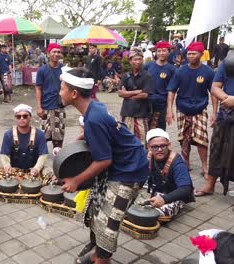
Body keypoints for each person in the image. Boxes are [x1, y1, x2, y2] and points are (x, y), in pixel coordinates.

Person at [58, 67, 148, 264]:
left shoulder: (94, 118)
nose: (59, 92)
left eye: (62, 88)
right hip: (122, 164)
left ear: (74, 94)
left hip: (129, 171)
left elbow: (104, 160)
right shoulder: (94, 107)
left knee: (108, 223)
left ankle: (101, 257)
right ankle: (95, 251)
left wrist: (76, 180)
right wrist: (83, 137)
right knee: (95, 211)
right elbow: (109, 132)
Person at [195, 26, 234, 213]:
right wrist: (228, 100)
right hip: (225, 115)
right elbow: (215, 86)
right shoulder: (230, 60)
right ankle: (210, 185)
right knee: (216, 150)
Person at [166, 41, 217, 178]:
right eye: (188, 54)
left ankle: (205, 167)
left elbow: (214, 92)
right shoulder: (180, 71)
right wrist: (169, 110)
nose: (190, 56)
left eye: (194, 54)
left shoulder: (208, 72)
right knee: (184, 138)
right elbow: (171, 91)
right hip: (182, 108)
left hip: (200, 109)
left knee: (202, 138)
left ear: (201, 54)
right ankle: (185, 163)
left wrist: (215, 113)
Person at [143, 128, 194, 222]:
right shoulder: (147, 156)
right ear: (149, 147)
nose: (159, 150)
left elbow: (186, 189)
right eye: (155, 147)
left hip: (174, 195)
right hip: (157, 191)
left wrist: (164, 199)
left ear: (169, 145)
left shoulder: (177, 162)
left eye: (163, 146)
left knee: (154, 216)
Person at [0, 104, 51, 180]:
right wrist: (7, 166)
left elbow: (43, 155)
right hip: (14, 171)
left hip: (34, 171)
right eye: (18, 116)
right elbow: (4, 154)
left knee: (50, 173)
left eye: (25, 116)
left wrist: (37, 168)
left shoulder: (39, 134)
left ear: (30, 117)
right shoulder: (8, 135)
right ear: (15, 118)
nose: (21, 118)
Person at [118, 48, 153, 144]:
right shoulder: (126, 76)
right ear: (130, 61)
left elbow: (145, 95)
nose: (138, 62)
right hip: (127, 112)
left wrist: (127, 95)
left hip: (141, 113)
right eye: (135, 59)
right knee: (125, 139)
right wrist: (137, 91)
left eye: (140, 59)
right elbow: (120, 93)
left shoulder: (147, 76)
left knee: (142, 141)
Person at [35, 43, 66, 148]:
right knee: (43, 136)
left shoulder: (64, 70)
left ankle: (59, 157)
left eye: (58, 52)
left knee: (59, 136)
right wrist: (39, 107)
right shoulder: (42, 70)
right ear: (48, 54)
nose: (56, 54)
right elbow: (38, 88)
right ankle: (41, 156)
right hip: (46, 106)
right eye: (54, 51)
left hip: (59, 106)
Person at [144, 41, 176, 130]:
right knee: (145, 129)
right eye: (159, 51)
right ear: (156, 52)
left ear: (169, 52)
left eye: (164, 51)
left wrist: (170, 109)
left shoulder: (172, 70)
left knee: (159, 130)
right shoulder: (148, 66)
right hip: (146, 103)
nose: (161, 53)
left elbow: (172, 91)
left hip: (161, 104)